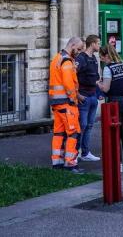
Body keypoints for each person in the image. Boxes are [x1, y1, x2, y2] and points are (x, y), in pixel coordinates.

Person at [49, 37, 85, 173]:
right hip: (67, 103)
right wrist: (74, 98)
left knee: (58, 133)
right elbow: (68, 84)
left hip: (56, 103)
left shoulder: (57, 58)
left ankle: (56, 162)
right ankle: (70, 164)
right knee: (74, 133)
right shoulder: (67, 61)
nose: (79, 51)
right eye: (79, 48)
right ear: (73, 45)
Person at [98, 45, 123, 173]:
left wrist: (98, 83)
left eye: (101, 57)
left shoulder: (108, 69)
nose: (101, 59)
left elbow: (106, 88)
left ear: (107, 55)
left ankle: (118, 163)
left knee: (115, 135)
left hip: (115, 102)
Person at [75, 34, 102, 162]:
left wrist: (98, 92)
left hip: (92, 96)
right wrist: (77, 94)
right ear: (92, 44)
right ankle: (75, 151)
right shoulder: (81, 58)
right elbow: (72, 76)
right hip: (84, 97)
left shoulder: (94, 59)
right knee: (82, 125)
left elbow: (96, 77)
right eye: (98, 43)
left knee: (89, 125)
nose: (99, 45)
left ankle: (85, 152)